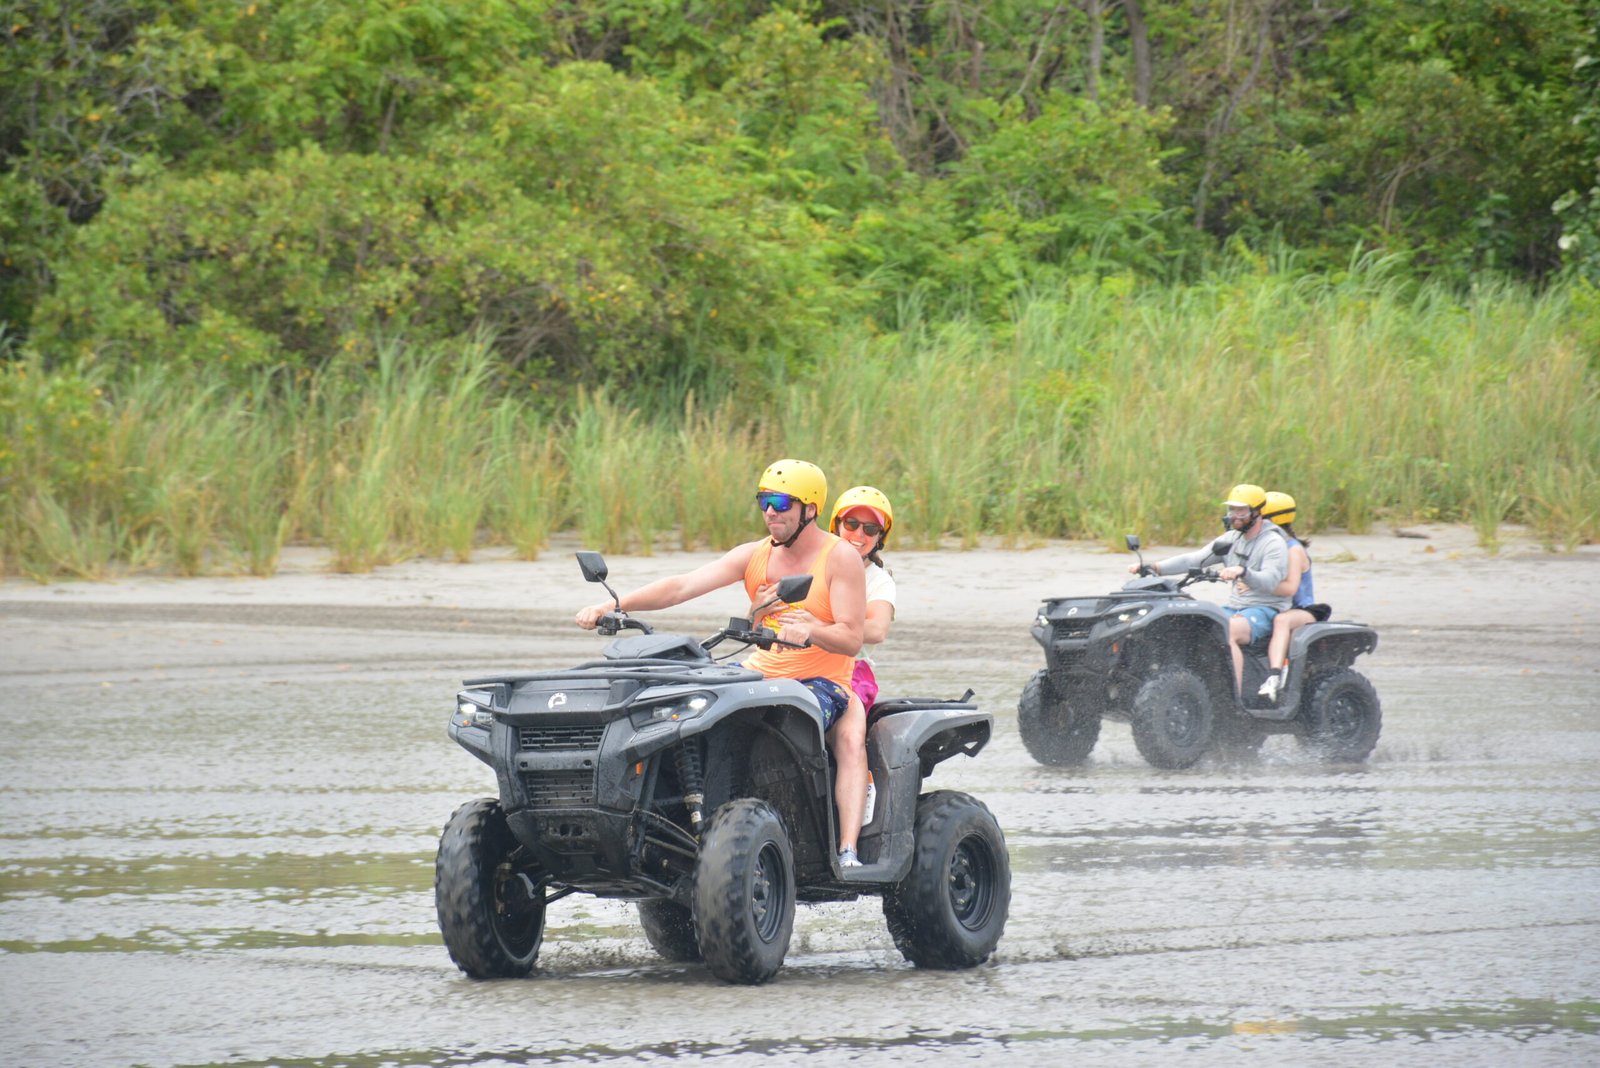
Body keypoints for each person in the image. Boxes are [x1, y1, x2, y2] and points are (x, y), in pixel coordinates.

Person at [574, 458, 870, 869]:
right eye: (764, 501)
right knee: (678, 709)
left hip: (821, 682)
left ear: (811, 509)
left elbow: (852, 638)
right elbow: (681, 587)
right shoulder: (753, 555)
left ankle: (847, 850)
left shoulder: (840, 558)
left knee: (780, 727)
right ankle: (670, 826)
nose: (770, 512)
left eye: (781, 503)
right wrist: (612, 605)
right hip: (756, 673)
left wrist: (813, 630)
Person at [1129, 483, 1289, 693]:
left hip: (1266, 610)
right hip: (1236, 607)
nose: (1235, 516)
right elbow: (1194, 559)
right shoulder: (1231, 538)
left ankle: (1234, 698)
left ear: (1257, 512)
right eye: (1232, 510)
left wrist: (1243, 572)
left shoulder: (1273, 543)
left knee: (1227, 630)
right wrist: (1156, 567)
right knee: (1196, 625)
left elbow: (1271, 581)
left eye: (1241, 511)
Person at [760, 485, 897, 715]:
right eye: (851, 524)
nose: (859, 534)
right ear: (837, 525)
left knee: (849, 734)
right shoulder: (810, 563)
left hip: (850, 674)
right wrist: (758, 609)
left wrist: (819, 627)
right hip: (790, 663)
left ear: (880, 537)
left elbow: (877, 630)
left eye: (870, 529)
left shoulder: (879, 580)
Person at [1259, 490, 1332, 701]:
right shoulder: (1269, 547)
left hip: (1302, 609)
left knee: (1282, 621)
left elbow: (1290, 588)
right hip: (1277, 605)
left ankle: (1275, 675)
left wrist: (1252, 582)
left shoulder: (1293, 550)